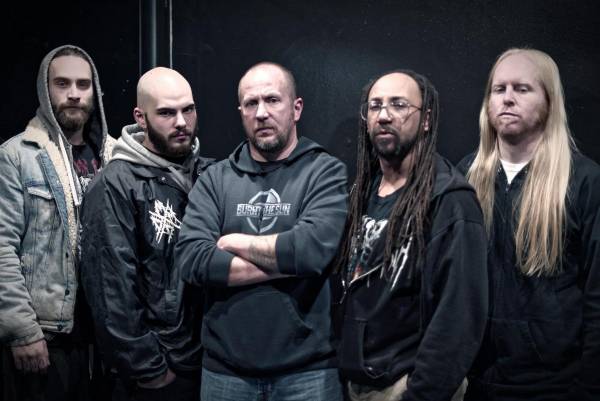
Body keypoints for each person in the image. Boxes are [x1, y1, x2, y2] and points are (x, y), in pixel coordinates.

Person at [174, 62, 348, 401]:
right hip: (226, 373)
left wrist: (235, 242)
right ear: (241, 112)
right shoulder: (215, 179)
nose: (262, 113)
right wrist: (290, 261)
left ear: (296, 108)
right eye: (251, 103)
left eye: (272, 100)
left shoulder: (324, 171)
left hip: (309, 373)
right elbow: (193, 259)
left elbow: (312, 250)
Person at [333, 70, 488, 401]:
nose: (384, 115)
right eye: (375, 106)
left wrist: (419, 394)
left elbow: (458, 319)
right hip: (357, 384)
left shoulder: (450, 201)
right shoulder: (362, 192)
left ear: (426, 119)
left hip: (407, 387)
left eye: (399, 105)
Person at [458, 48, 600, 401]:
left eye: (522, 89)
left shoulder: (584, 181)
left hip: (557, 386)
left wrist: (589, 388)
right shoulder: (465, 178)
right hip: (478, 383)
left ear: (549, 102)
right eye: (499, 89)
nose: (507, 98)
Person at [79, 67, 209, 401]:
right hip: (159, 372)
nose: (181, 122)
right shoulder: (115, 184)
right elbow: (111, 289)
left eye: (188, 109)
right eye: (166, 113)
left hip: (208, 363)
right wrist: (148, 370)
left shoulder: (208, 174)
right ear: (141, 117)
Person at [0, 44, 115, 401]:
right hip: (48, 338)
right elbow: (2, 247)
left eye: (83, 84)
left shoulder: (115, 157)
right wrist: (22, 331)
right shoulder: (17, 156)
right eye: (62, 83)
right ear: (44, 89)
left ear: (95, 91)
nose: (74, 94)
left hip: (104, 340)